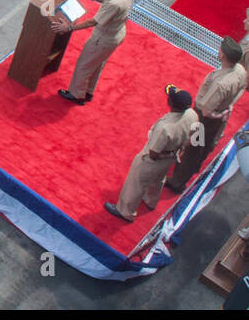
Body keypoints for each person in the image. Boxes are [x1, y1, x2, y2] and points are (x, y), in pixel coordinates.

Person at [104, 86, 199, 222]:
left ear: (171, 103)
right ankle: (150, 200)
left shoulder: (164, 128)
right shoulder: (192, 114)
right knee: (158, 179)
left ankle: (125, 211)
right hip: (170, 157)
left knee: (135, 183)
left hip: (155, 159)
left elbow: (154, 154)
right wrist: (180, 149)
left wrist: (170, 153)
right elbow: (197, 137)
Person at [165, 37, 247, 192]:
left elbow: (206, 111)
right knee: (206, 144)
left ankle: (178, 181)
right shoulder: (240, 71)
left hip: (204, 119)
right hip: (216, 117)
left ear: (223, 56)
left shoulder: (221, 84)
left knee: (193, 148)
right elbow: (242, 88)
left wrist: (219, 114)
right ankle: (195, 166)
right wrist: (228, 108)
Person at [55, 0, 134, 104]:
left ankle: (76, 94)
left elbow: (94, 21)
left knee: (84, 65)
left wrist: (69, 27)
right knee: (97, 64)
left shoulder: (114, 4)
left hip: (103, 38)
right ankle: (88, 91)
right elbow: (111, 1)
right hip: (117, 34)